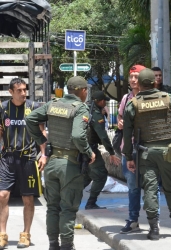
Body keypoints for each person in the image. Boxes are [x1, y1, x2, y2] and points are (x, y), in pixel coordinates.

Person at [26, 76, 96, 250]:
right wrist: (89, 152)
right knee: (67, 208)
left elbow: (30, 119)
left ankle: (53, 245)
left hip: (52, 164)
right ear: (82, 91)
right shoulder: (80, 108)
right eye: (86, 90)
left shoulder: (53, 104)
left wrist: (42, 140)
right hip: (70, 166)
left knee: (53, 207)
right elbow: (78, 136)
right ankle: (66, 245)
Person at [122, 68, 171, 240]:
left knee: (150, 189)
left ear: (141, 83)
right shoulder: (168, 99)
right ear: (154, 82)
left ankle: (154, 230)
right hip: (169, 151)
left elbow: (127, 133)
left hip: (146, 153)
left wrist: (128, 157)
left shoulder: (133, 104)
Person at [0, 78, 47, 249]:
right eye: (19, 90)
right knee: (2, 196)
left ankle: (26, 234)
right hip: (8, 158)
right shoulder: (3, 108)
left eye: (25, 90)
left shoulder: (34, 107)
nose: (23, 93)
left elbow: (41, 133)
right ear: (11, 92)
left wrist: (43, 155)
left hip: (28, 159)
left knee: (28, 198)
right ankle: (2, 235)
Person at [117, 64, 146, 234]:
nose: (133, 80)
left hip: (146, 148)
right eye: (132, 76)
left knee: (152, 186)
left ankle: (154, 221)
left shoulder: (149, 98)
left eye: (137, 76)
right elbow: (120, 116)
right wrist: (120, 122)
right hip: (128, 149)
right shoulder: (126, 98)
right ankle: (133, 220)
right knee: (132, 187)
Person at [84, 91, 120, 210]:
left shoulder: (84, 110)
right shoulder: (96, 115)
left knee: (86, 176)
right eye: (104, 101)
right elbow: (103, 136)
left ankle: (67, 201)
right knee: (101, 175)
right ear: (100, 101)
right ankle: (91, 203)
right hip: (90, 150)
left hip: (81, 148)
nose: (105, 103)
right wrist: (111, 153)